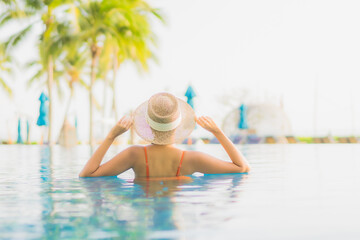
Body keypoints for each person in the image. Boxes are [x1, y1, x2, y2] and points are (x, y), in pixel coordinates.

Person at [79, 92, 250, 178]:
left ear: (148, 126)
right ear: (178, 125)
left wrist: (111, 137)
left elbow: (87, 175)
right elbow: (242, 168)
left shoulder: (134, 155)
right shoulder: (192, 159)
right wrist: (218, 132)